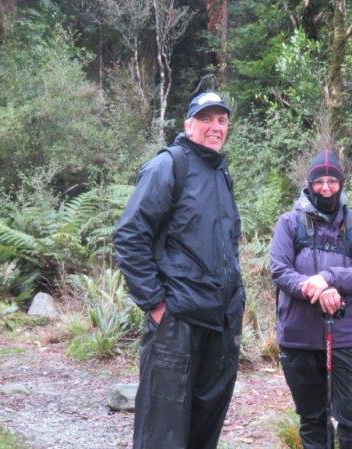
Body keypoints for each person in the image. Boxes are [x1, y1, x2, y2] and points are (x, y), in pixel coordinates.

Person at [113, 92, 244, 449]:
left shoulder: (220, 173)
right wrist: (155, 303)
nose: (215, 127)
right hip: (177, 322)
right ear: (188, 124)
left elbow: (226, 245)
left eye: (222, 120)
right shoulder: (169, 166)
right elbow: (129, 235)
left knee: (204, 430)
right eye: (207, 119)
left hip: (219, 323)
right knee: (163, 432)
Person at [269, 149, 352, 449]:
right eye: (319, 181)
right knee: (313, 419)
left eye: (332, 181)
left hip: (348, 337)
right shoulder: (289, 223)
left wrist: (328, 278)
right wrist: (316, 289)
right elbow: (279, 269)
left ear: (342, 184)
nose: (326, 188)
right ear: (309, 184)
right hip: (299, 338)